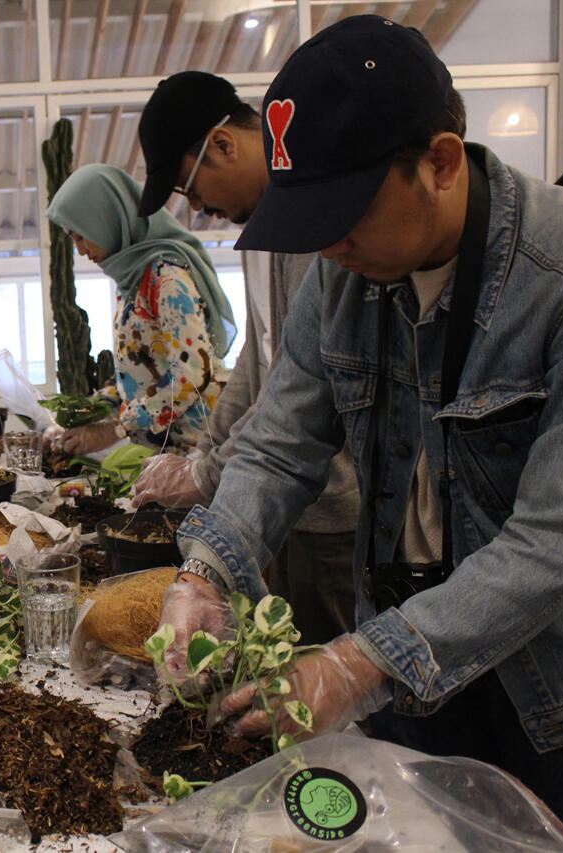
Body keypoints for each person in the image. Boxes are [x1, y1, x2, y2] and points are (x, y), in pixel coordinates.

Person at [159, 16, 563, 849]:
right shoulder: (348, 276)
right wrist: (206, 570)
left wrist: (355, 663)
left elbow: (557, 539)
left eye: (347, 214)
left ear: (441, 162)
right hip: (411, 688)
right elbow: (279, 443)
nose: (330, 248)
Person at [128, 71, 358, 644]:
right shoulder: (263, 233)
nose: (199, 208)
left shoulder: (310, 232)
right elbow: (258, 364)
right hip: (284, 501)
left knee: (328, 674)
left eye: (190, 188)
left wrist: (206, 471)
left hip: (333, 503)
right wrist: (205, 454)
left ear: (224, 144)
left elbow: (301, 385)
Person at [43, 163, 235, 456]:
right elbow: (136, 373)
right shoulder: (134, 283)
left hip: (195, 451)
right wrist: (83, 415)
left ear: (107, 219)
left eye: (81, 236)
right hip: (162, 451)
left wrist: (116, 429)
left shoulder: (166, 278)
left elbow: (191, 373)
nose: (80, 250)